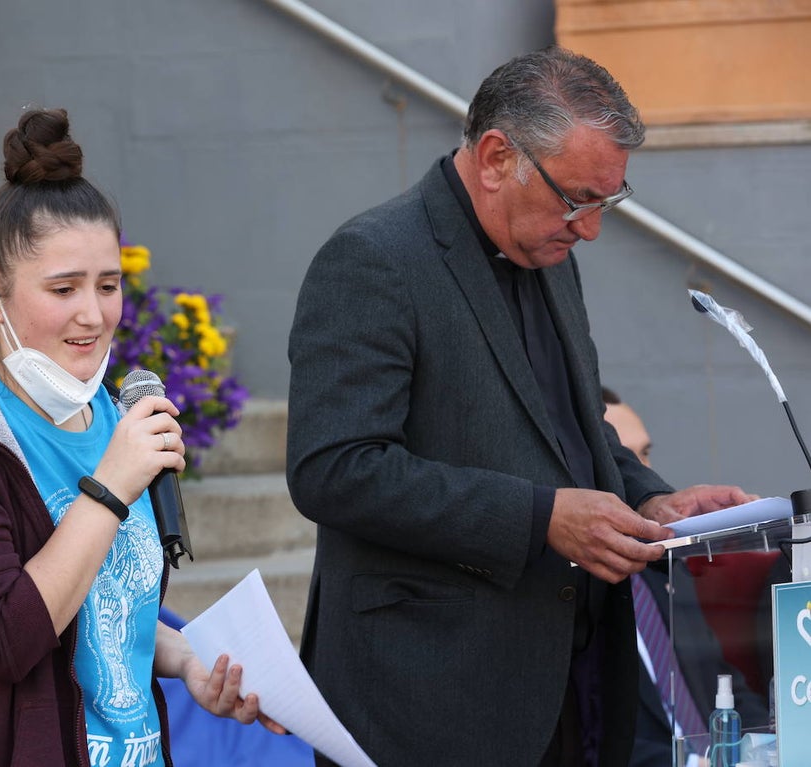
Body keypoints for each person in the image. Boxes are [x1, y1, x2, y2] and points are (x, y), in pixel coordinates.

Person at [285, 46, 755, 767]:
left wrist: (653, 501)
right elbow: (335, 468)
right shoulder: (373, 258)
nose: (590, 229)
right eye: (577, 200)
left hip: (567, 684)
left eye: (607, 202)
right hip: (425, 701)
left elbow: (570, 431)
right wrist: (541, 518)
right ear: (498, 157)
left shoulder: (547, 252)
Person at [0, 108, 281, 766]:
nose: (93, 313)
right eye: (63, 287)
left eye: (108, 285)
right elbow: (3, 635)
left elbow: (101, 606)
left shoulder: (115, 419)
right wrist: (110, 487)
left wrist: (187, 658)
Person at [601, 387, 767, 766]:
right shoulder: (567, 593)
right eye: (620, 459)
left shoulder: (666, 570)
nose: (639, 474)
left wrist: (769, 751)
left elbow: (726, 685)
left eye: (643, 454)